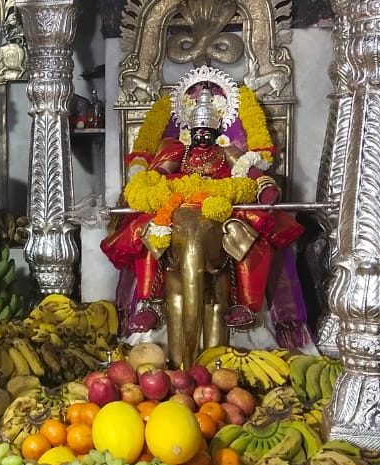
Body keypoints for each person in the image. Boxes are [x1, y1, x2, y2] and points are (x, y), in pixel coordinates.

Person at [101, 65, 309, 368]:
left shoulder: (226, 152)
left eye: (207, 131)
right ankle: (149, 302)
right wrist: (148, 185)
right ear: (189, 130)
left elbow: (249, 172)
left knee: (249, 236)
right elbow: (160, 172)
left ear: (216, 130)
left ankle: (243, 304)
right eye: (197, 131)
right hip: (177, 208)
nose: (201, 136)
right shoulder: (179, 151)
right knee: (149, 232)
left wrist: (264, 186)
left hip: (220, 208)